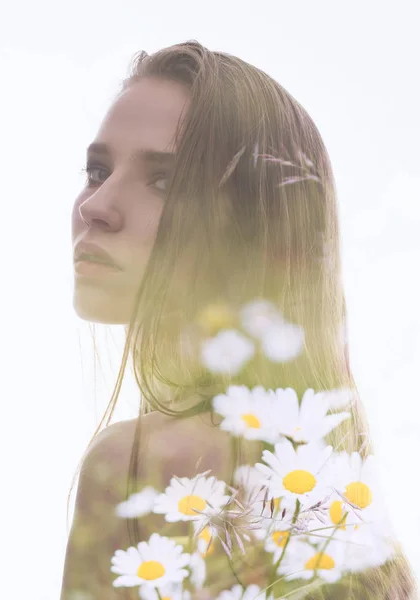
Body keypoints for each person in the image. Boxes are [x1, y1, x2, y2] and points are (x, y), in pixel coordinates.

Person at [59, 40, 418, 600]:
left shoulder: (136, 463)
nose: (96, 206)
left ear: (252, 231)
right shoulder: (342, 514)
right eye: (97, 169)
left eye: (164, 181)